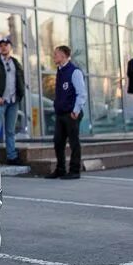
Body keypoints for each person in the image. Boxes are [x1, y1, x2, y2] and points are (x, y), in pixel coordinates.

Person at [0, 37, 26, 163]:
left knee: (10, 131)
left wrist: (20, 95)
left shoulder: (15, 62)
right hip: (0, 101)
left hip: (13, 102)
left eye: (6, 45)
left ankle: (11, 156)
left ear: (10, 47)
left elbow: (21, 80)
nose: (3, 47)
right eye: (1, 45)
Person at [49, 45, 87, 179]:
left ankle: (75, 170)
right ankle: (60, 169)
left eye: (56, 54)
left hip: (72, 113)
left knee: (74, 142)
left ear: (64, 56)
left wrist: (76, 110)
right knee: (58, 141)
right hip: (61, 113)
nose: (54, 57)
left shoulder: (74, 71)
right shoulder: (60, 71)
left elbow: (81, 93)